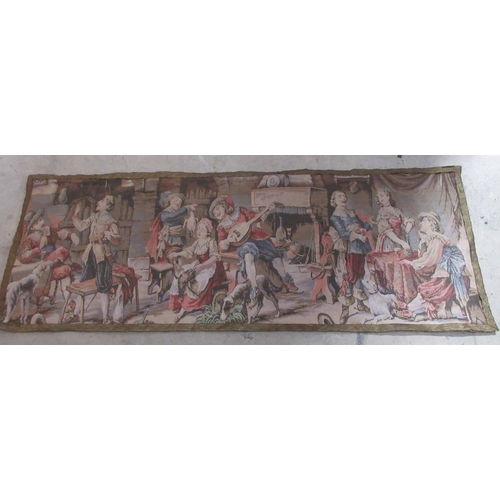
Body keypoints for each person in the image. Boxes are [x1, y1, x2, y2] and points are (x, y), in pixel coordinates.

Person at [209, 195, 297, 302]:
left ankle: (285, 279)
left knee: (274, 254)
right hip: (242, 244)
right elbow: (221, 245)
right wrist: (228, 241)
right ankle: (254, 287)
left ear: (224, 206)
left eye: (218, 209)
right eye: (214, 213)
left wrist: (267, 210)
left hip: (256, 236)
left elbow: (253, 216)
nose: (216, 213)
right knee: (248, 255)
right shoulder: (221, 227)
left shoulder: (240, 211)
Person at [397, 212, 470, 321]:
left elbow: (431, 259)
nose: (420, 223)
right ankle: (410, 310)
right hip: (447, 273)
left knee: (427, 289)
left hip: (451, 275)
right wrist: (422, 244)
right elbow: (426, 256)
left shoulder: (436, 238)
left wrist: (411, 263)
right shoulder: (431, 239)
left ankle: (409, 311)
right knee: (426, 285)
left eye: (424, 220)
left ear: (431, 223)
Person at [72, 196, 122, 324]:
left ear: (108, 206)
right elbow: (81, 226)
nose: (98, 202)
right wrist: (76, 213)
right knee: (83, 282)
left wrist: (110, 236)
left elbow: (118, 240)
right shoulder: (94, 217)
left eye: (102, 201)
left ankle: (105, 318)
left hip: (102, 254)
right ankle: (75, 313)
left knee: (103, 285)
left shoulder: (111, 221)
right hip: (90, 252)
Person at [168, 218, 227, 322]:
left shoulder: (210, 242)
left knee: (196, 282)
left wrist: (202, 266)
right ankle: (177, 303)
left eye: (202, 230)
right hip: (200, 265)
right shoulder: (197, 242)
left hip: (210, 267)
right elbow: (188, 251)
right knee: (181, 275)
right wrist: (177, 253)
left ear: (208, 232)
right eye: (198, 228)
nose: (199, 231)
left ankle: (182, 311)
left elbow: (214, 258)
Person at [329, 190, 372, 324]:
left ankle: (360, 304)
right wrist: (357, 234)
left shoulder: (351, 212)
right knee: (347, 277)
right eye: (340, 196)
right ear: (334, 201)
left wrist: (367, 224)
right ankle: (345, 310)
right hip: (347, 250)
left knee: (359, 274)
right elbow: (343, 234)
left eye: (344, 196)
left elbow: (363, 225)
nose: (343, 198)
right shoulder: (335, 217)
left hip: (359, 248)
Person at [18, 209, 80, 292]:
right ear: (32, 227)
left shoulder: (48, 230)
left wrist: (71, 235)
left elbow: (60, 233)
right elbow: (23, 257)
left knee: (65, 267)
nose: (41, 222)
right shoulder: (30, 239)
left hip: (54, 261)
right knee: (61, 252)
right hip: (41, 265)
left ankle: (67, 297)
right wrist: (38, 249)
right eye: (37, 222)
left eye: (40, 219)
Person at [146, 192, 198, 263]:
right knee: (173, 260)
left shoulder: (180, 215)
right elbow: (174, 215)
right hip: (170, 243)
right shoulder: (165, 213)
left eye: (180, 202)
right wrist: (187, 208)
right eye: (176, 200)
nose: (178, 203)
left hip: (181, 243)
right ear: (170, 201)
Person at [372, 189, 414, 254]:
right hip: (389, 239)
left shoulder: (397, 210)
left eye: (382, 195)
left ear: (388, 196)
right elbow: (387, 231)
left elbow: (405, 219)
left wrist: (408, 225)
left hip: (400, 237)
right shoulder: (381, 213)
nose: (380, 198)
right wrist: (402, 242)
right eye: (379, 197)